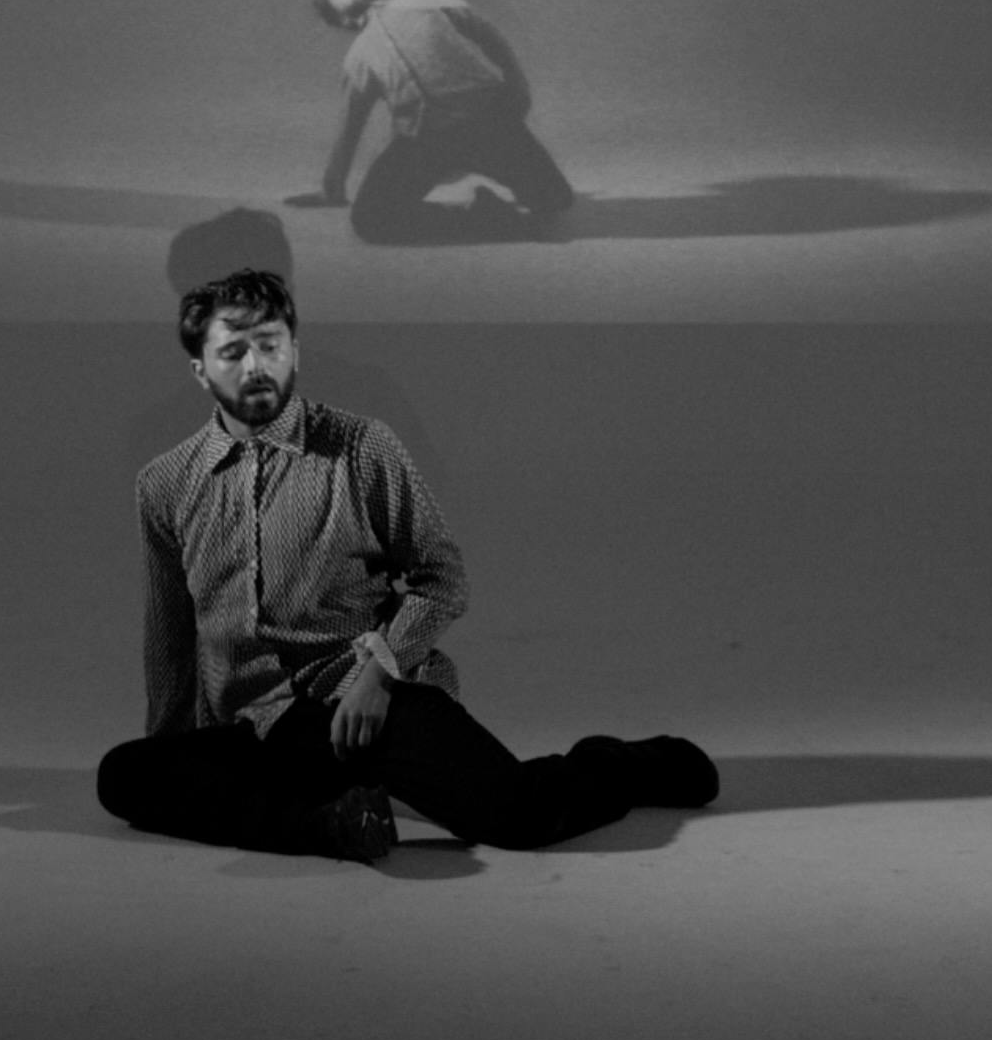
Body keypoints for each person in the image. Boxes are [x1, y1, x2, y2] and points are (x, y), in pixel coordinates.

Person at [96, 268, 716, 860]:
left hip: (360, 701)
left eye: (270, 344)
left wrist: (379, 677)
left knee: (518, 817)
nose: (256, 365)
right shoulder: (165, 482)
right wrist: (175, 757)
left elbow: (441, 579)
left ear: (295, 350)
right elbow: (171, 635)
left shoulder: (362, 447)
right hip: (252, 723)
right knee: (125, 775)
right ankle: (330, 826)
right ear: (200, 370)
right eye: (234, 351)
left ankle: (631, 762)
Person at [289, 0, 575, 243]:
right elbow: (350, 129)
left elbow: (488, 35)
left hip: (489, 124)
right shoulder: (357, 58)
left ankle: (498, 201)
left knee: (555, 200)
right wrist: (331, 188)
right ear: (342, 19)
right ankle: (485, 217)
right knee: (369, 222)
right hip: (423, 143)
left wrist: (518, 87)